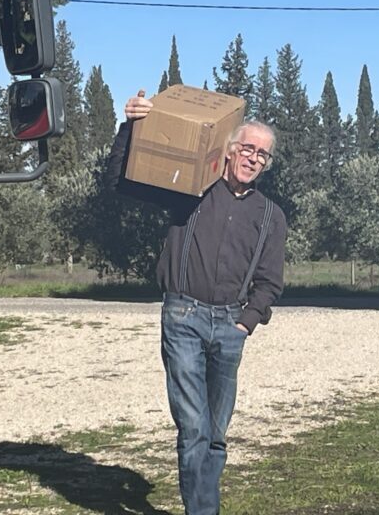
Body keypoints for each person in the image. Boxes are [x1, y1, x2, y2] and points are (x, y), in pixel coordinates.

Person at [123, 89, 287, 515]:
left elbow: (271, 281)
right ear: (229, 150)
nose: (253, 158)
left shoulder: (271, 216)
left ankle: (203, 505)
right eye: (247, 149)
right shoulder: (189, 191)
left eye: (262, 155)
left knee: (215, 432)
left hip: (231, 326)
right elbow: (129, 179)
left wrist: (247, 321)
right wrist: (131, 127)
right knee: (193, 426)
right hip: (184, 318)